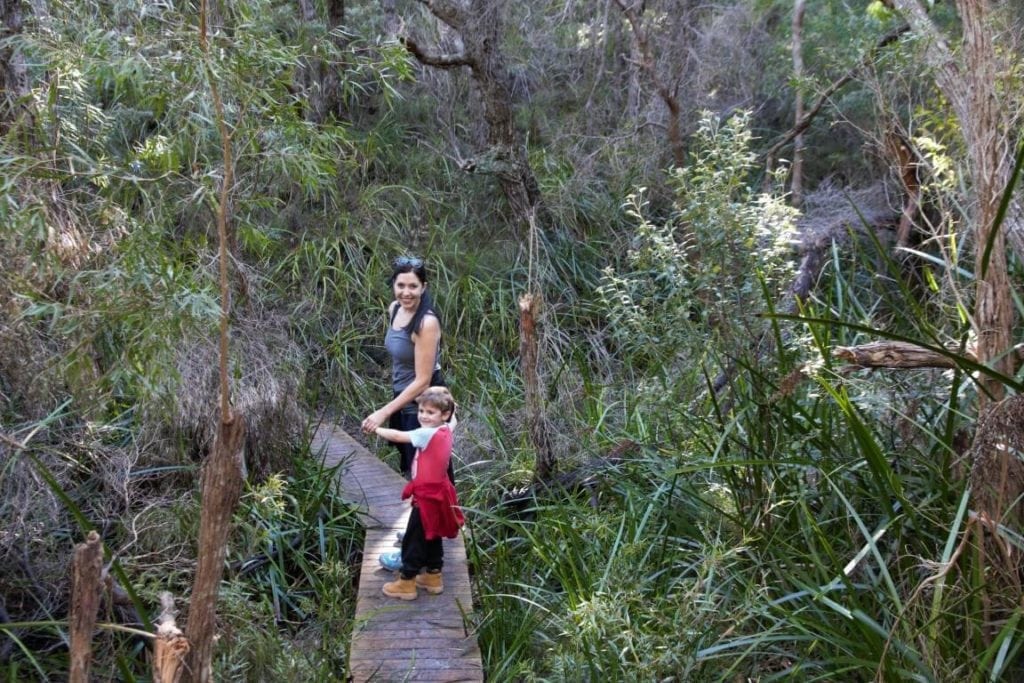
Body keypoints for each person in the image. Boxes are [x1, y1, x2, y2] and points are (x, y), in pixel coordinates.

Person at [361, 256, 448, 480]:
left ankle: (439, 514)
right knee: (410, 467)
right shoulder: (394, 309)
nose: (406, 292)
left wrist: (384, 412)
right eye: (401, 285)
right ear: (393, 285)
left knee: (429, 472)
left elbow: (423, 381)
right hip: (402, 395)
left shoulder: (426, 323)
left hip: (423, 402)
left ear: (423, 287)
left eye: (413, 286)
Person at [373, 388, 464, 600]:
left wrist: (375, 428)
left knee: (414, 536)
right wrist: (451, 404)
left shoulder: (426, 433)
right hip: (439, 492)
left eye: (430, 412)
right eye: (421, 410)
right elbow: (455, 421)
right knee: (432, 532)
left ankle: (406, 582)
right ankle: (433, 575)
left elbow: (397, 435)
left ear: (444, 414)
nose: (423, 415)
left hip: (427, 497)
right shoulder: (447, 429)